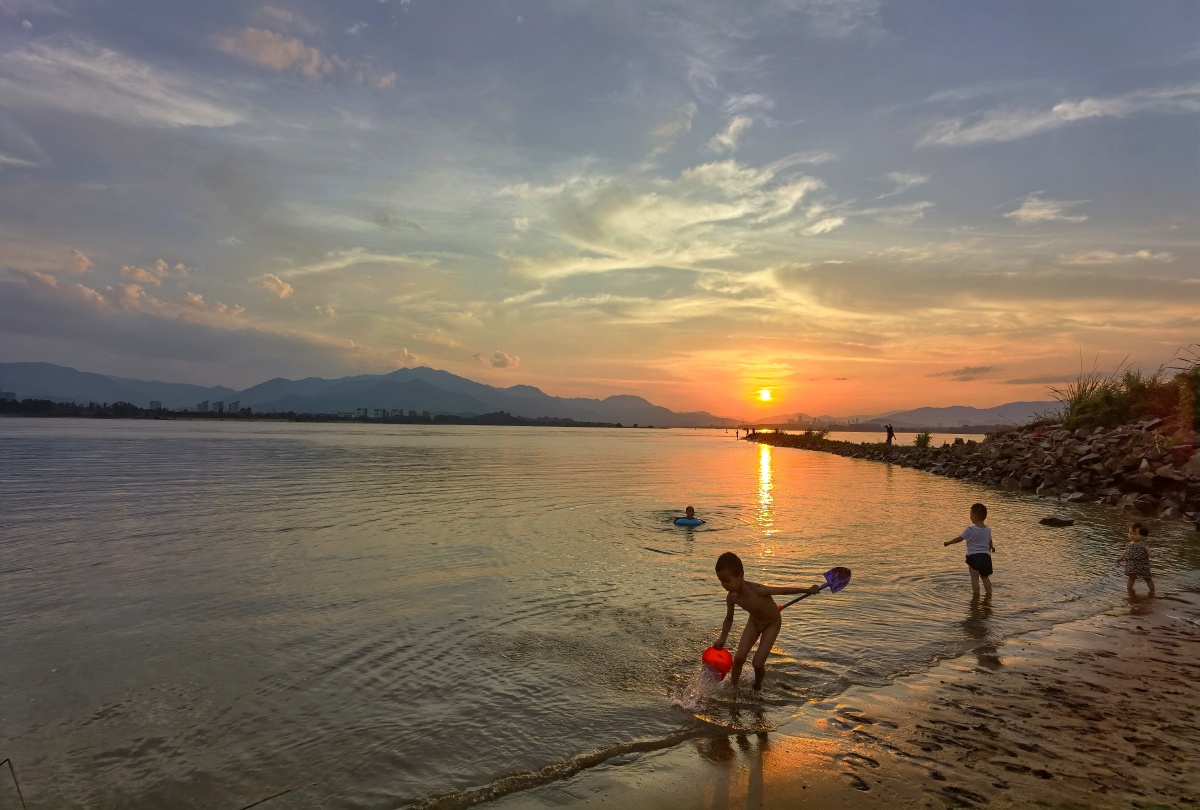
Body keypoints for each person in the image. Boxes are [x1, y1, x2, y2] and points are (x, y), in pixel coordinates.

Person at [712, 552, 822, 690]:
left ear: (740, 576)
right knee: (739, 658)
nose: (724, 585)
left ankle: (757, 686)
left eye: (727, 581)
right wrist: (723, 637)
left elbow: (783, 591)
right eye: (721, 581)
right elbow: (729, 619)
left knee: (757, 663)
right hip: (754, 622)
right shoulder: (732, 597)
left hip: (772, 624)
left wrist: (807, 590)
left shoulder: (757, 590)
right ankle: (733, 688)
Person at [943, 502, 995, 598]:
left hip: (974, 557)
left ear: (974, 516)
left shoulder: (971, 529)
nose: (970, 516)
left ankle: (976, 597)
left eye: (970, 514)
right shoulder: (988, 529)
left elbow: (959, 539)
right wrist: (991, 547)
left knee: (974, 579)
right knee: (985, 577)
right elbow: (989, 540)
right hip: (986, 557)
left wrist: (948, 542)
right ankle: (989, 595)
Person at [1117, 522, 1154, 597]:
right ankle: (1129, 591)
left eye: (1135, 534)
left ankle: (1152, 591)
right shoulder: (1129, 544)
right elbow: (1125, 552)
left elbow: (1150, 554)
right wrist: (1120, 558)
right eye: (1130, 533)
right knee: (1131, 577)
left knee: (1147, 578)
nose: (1132, 536)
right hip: (1131, 564)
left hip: (1142, 565)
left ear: (1142, 535)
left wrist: (1156, 554)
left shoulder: (1144, 545)